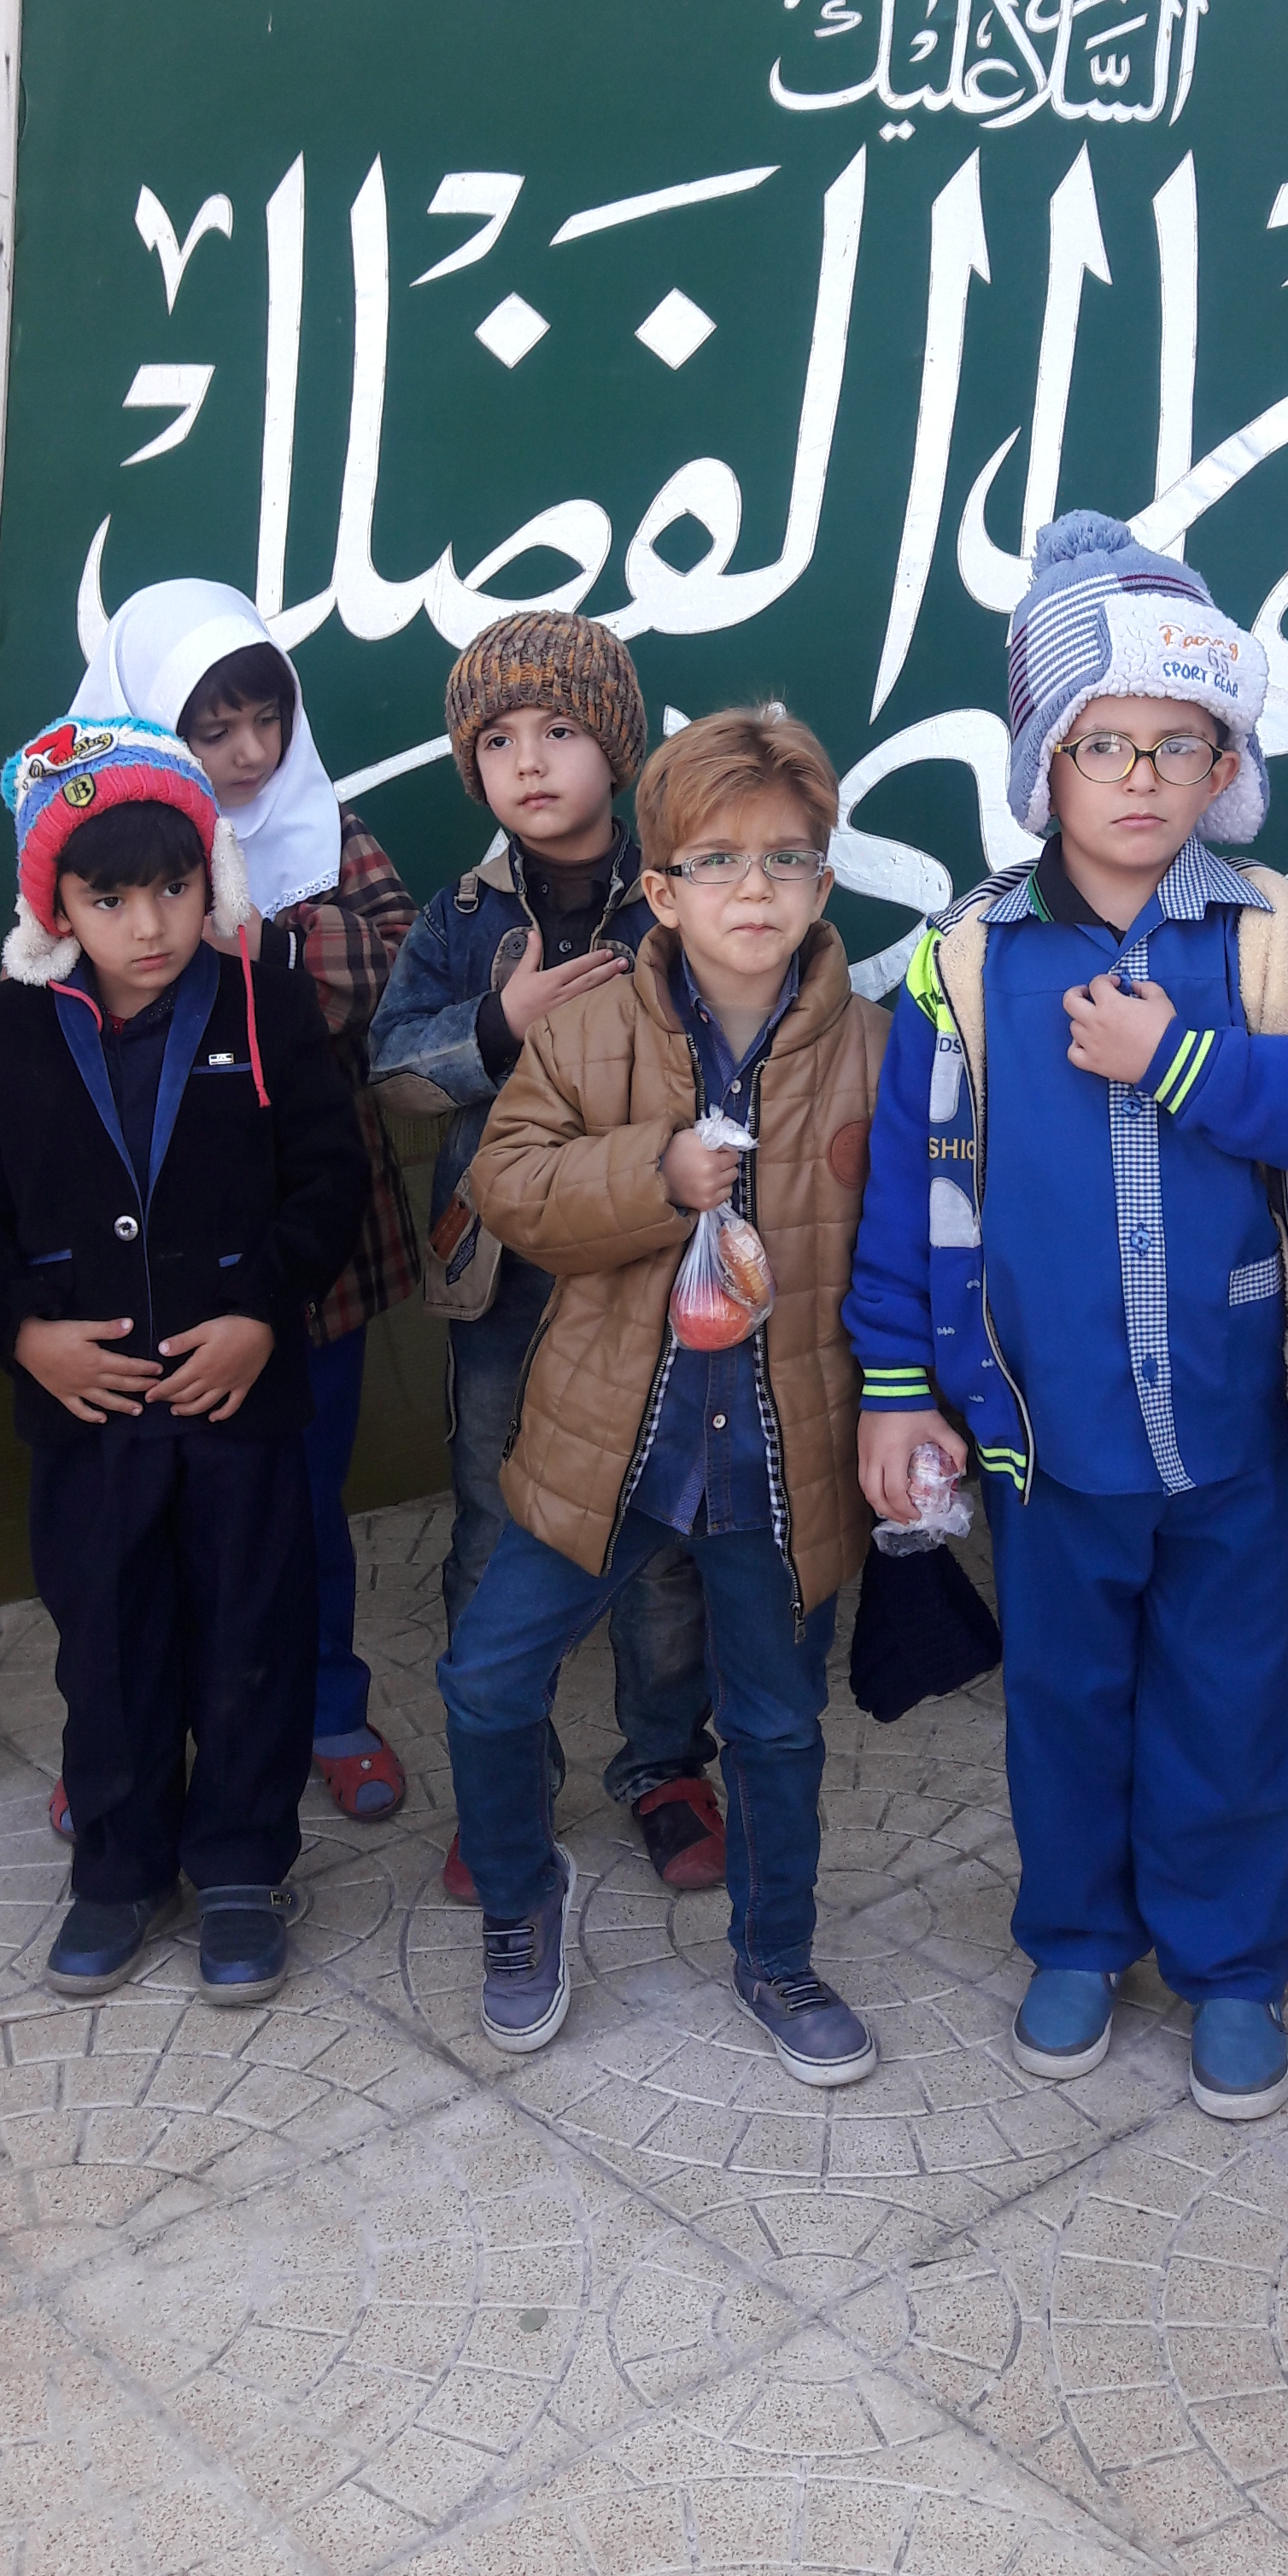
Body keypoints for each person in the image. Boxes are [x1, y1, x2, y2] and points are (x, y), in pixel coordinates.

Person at [846, 511, 1288, 2121]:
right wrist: (898, 1388)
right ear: (1046, 765)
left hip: (1235, 1422)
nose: (1143, 778)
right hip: (1047, 1428)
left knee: (1232, 1700)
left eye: (1179, 744)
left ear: (1226, 758)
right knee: (1066, 1702)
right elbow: (912, 1194)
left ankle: (1231, 1962)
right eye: (1104, 744)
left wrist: (1185, 1063)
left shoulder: (1281, 936)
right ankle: (1080, 1938)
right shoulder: (970, 961)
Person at [442, 706, 887, 2080]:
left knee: (775, 1730)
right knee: (487, 1682)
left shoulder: (880, 1050)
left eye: (786, 859)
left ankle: (777, 1951)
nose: (754, 889)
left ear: (824, 881)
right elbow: (506, 1183)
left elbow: (924, 1248)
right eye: (716, 862)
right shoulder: (591, 1032)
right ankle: (521, 1901)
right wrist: (655, 1175)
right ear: (662, 889)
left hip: (782, 1459)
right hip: (609, 1451)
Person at [0, 718, 367, 2005]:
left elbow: (330, 1178)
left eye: (173, 888)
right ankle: (118, 1868)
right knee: (107, 1648)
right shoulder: (5, 1031)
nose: (150, 925)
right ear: (55, 904)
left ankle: (241, 1867)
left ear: (210, 877)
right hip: (91, 1417)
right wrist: (25, 1337)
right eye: (109, 899)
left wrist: (266, 1311)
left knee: (251, 1640)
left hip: (239, 1406)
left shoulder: (267, 1003)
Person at [367, 613, 722, 1906]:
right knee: (495, 1524)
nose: (528, 761)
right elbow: (394, 1073)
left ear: (615, 748)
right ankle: (503, 1786)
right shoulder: (461, 919)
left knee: (662, 1533)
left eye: (560, 730)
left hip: (655, 1271)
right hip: (505, 1282)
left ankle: (667, 1768)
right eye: (498, 739)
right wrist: (497, 1021)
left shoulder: (683, 890)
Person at [70, 580, 421, 1824]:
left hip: (310, 1253)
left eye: (267, 718)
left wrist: (257, 942)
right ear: (145, 724)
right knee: (149, 1513)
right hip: (146, 1259)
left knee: (300, 1498)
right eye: (212, 728)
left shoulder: (330, 829)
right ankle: (140, 1733)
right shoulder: (92, 848)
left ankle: (325, 1701)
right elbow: (62, 998)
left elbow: (399, 964)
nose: (252, 753)